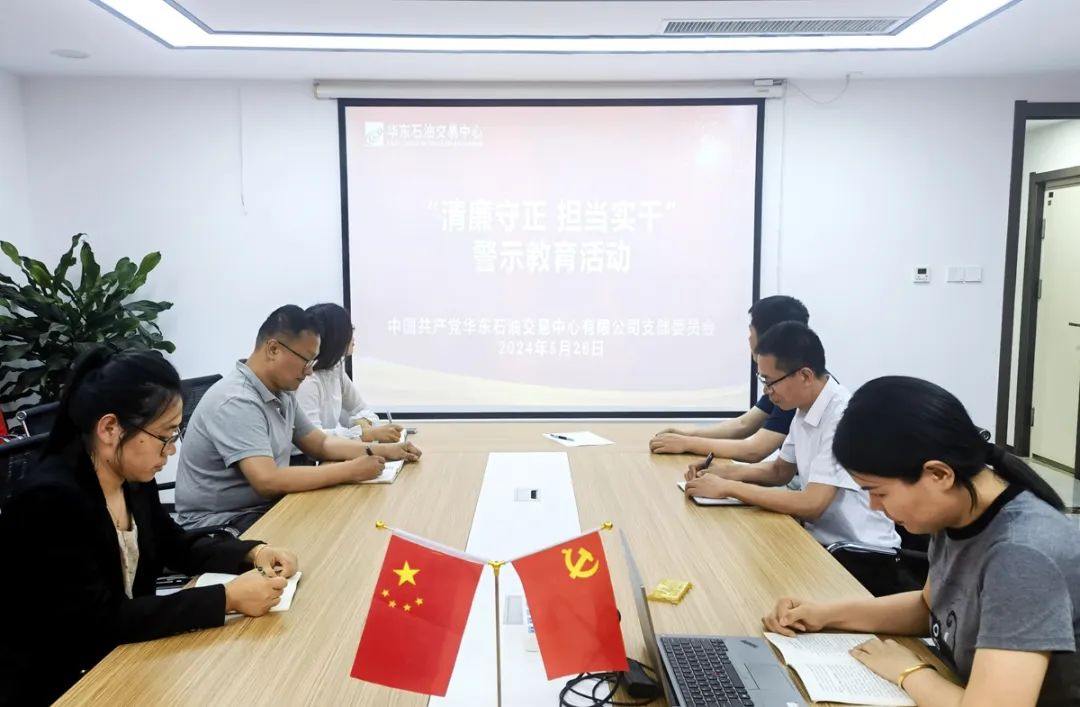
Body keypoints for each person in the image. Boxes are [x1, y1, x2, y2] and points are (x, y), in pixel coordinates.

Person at [0, 347, 298, 707]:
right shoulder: (51, 501)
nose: (170, 451)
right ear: (110, 429)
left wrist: (251, 552)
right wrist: (226, 598)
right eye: (165, 435)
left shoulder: (131, 477)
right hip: (62, 683)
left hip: (125, 659)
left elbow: (173, 543)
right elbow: (98, 622)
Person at [763, 377, 1079, 706]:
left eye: (878, 492)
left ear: (938, 475)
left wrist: (909, 672)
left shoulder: (1023, 554)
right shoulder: (956, 509)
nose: (874, 506)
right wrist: (824, 614)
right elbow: (929, 606)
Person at [684, 322, 904, 596]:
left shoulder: (842, 416)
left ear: (805, 376)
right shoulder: (804, 408)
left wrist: (729, 488)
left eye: (770, 382)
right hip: (822, 543)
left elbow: (812, 504)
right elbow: (781, 471)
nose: (767, 391)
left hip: (859, 556)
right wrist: (723, 473)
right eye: (763, 381)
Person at [175, 305, 422, 532]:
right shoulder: (236, 401)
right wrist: (350, 470)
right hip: (220, 524)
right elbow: (267, 480)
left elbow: (320, 443)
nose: (310, 370)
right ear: (273, 349)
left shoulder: (281, 391)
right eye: (306, 360)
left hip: (261, 509)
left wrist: (387, 450)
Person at [651, 295, 809, 462]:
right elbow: (744, 425)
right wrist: (686, 435)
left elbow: (755, 450)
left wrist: (687, 443)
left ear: (769, 338)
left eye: (751, 332)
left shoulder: (794, 384)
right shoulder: (784, 376)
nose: (749, 338)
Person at [296, 303, 402, 444]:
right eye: (348, 329)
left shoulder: (335, 369)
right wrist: (365, 434)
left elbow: (361, 409)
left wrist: (362, 423)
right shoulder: (308, 380)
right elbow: (312, 437)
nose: (353, 334)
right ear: (335, 337)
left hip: (331, 451)